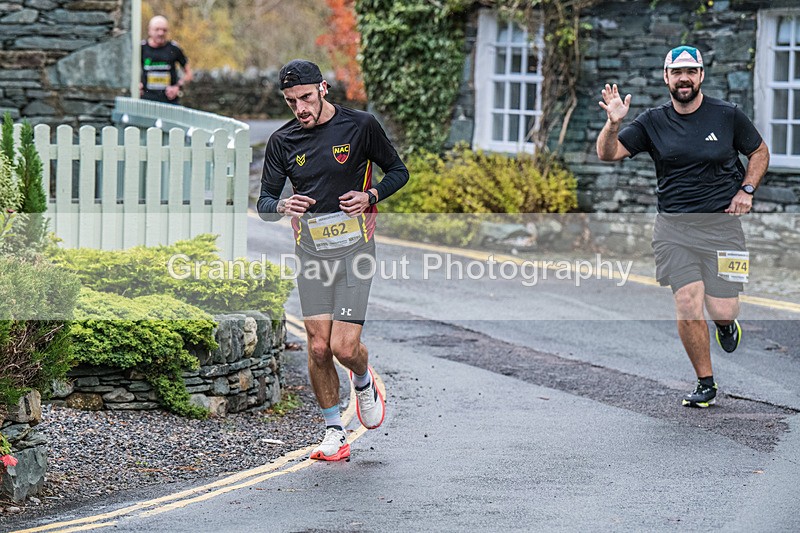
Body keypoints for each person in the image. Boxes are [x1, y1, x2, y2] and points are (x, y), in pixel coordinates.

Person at [596, 45, 770, 408]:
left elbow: (759, 151)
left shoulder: (727, 116)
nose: (684, 78)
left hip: (723, 227)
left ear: (702, 76)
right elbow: (607, 154)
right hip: (674, 229)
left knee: (723, 308)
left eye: (691, 71)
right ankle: (706, 382)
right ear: (666, 77)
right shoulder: (652, 122)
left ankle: (725, 326)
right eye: (677, 73)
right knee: (687, 301)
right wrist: (613, 124)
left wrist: (747, 190)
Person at [257, 60, 409, 460]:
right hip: (311, 255)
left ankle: (363, 379)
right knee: (319, 347)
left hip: (355, 252)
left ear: (323, 89)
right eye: (291, 102)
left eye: (305, 98)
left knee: (344, 347)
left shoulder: (360, 126)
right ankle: (334, 431)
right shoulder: (282, 141)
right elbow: (264, 205)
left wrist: (371, 196)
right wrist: (283, 204)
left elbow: (398, 171)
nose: (300, 108)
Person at [140, 15, 193, 104]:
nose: (161, 33)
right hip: (146, 100)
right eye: (157, 29)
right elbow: (127, 70)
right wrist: (135, 85)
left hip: (169, 102)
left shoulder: (174, 48)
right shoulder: (141, 48)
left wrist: (178, 87)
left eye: (164, 30)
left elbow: (189, 73)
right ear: (149, 30)